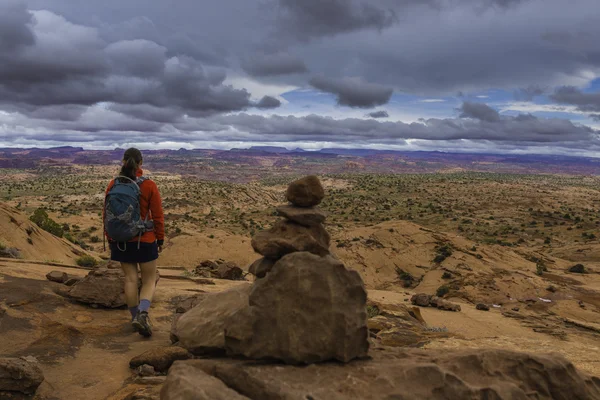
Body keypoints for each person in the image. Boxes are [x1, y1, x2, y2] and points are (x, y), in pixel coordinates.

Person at [103, 148, 164, 337]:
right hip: (144, 240)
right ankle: (143, 315)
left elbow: (106, 214)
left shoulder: (113, 184)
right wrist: (160, 238)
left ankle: (134, 317)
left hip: (121, 241)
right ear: (140, 163)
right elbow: (158, 215)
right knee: (149, 280)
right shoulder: (149, 185)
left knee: (130, 279)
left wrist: (110, 238)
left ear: (123, 161)